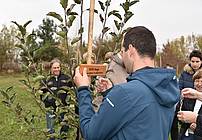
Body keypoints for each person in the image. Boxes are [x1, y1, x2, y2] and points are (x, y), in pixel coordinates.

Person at [73, 26, 180, 140]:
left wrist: (83, 89)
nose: (122, 57)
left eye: (122, 51)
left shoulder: (125, 93)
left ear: (131, 50)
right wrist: (110, 92)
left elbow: (91, 134)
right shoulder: (166, 88)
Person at [171, 50, 202, 140]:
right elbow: (179, 87)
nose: (195, 64)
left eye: (197, 61)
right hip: (187, 103)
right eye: (192, 61)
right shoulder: (185, 74)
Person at [40, 58, 72, 140]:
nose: (56, 69)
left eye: (58, 67)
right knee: (51, 130)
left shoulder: (66, 78)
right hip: (51, 109)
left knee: (64, 129)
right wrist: (48, 103)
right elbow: (42, 93)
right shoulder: (46, 80)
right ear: (51, 68)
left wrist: (68, 102)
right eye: (54, 68)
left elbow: (72, 90)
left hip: (64, 108)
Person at [177, 69, 202, 139]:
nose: (199, 84)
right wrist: (188, 122)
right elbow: (179, 115)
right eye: (197, 81)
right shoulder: (189, 97)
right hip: (187, 134)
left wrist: (197, 123)